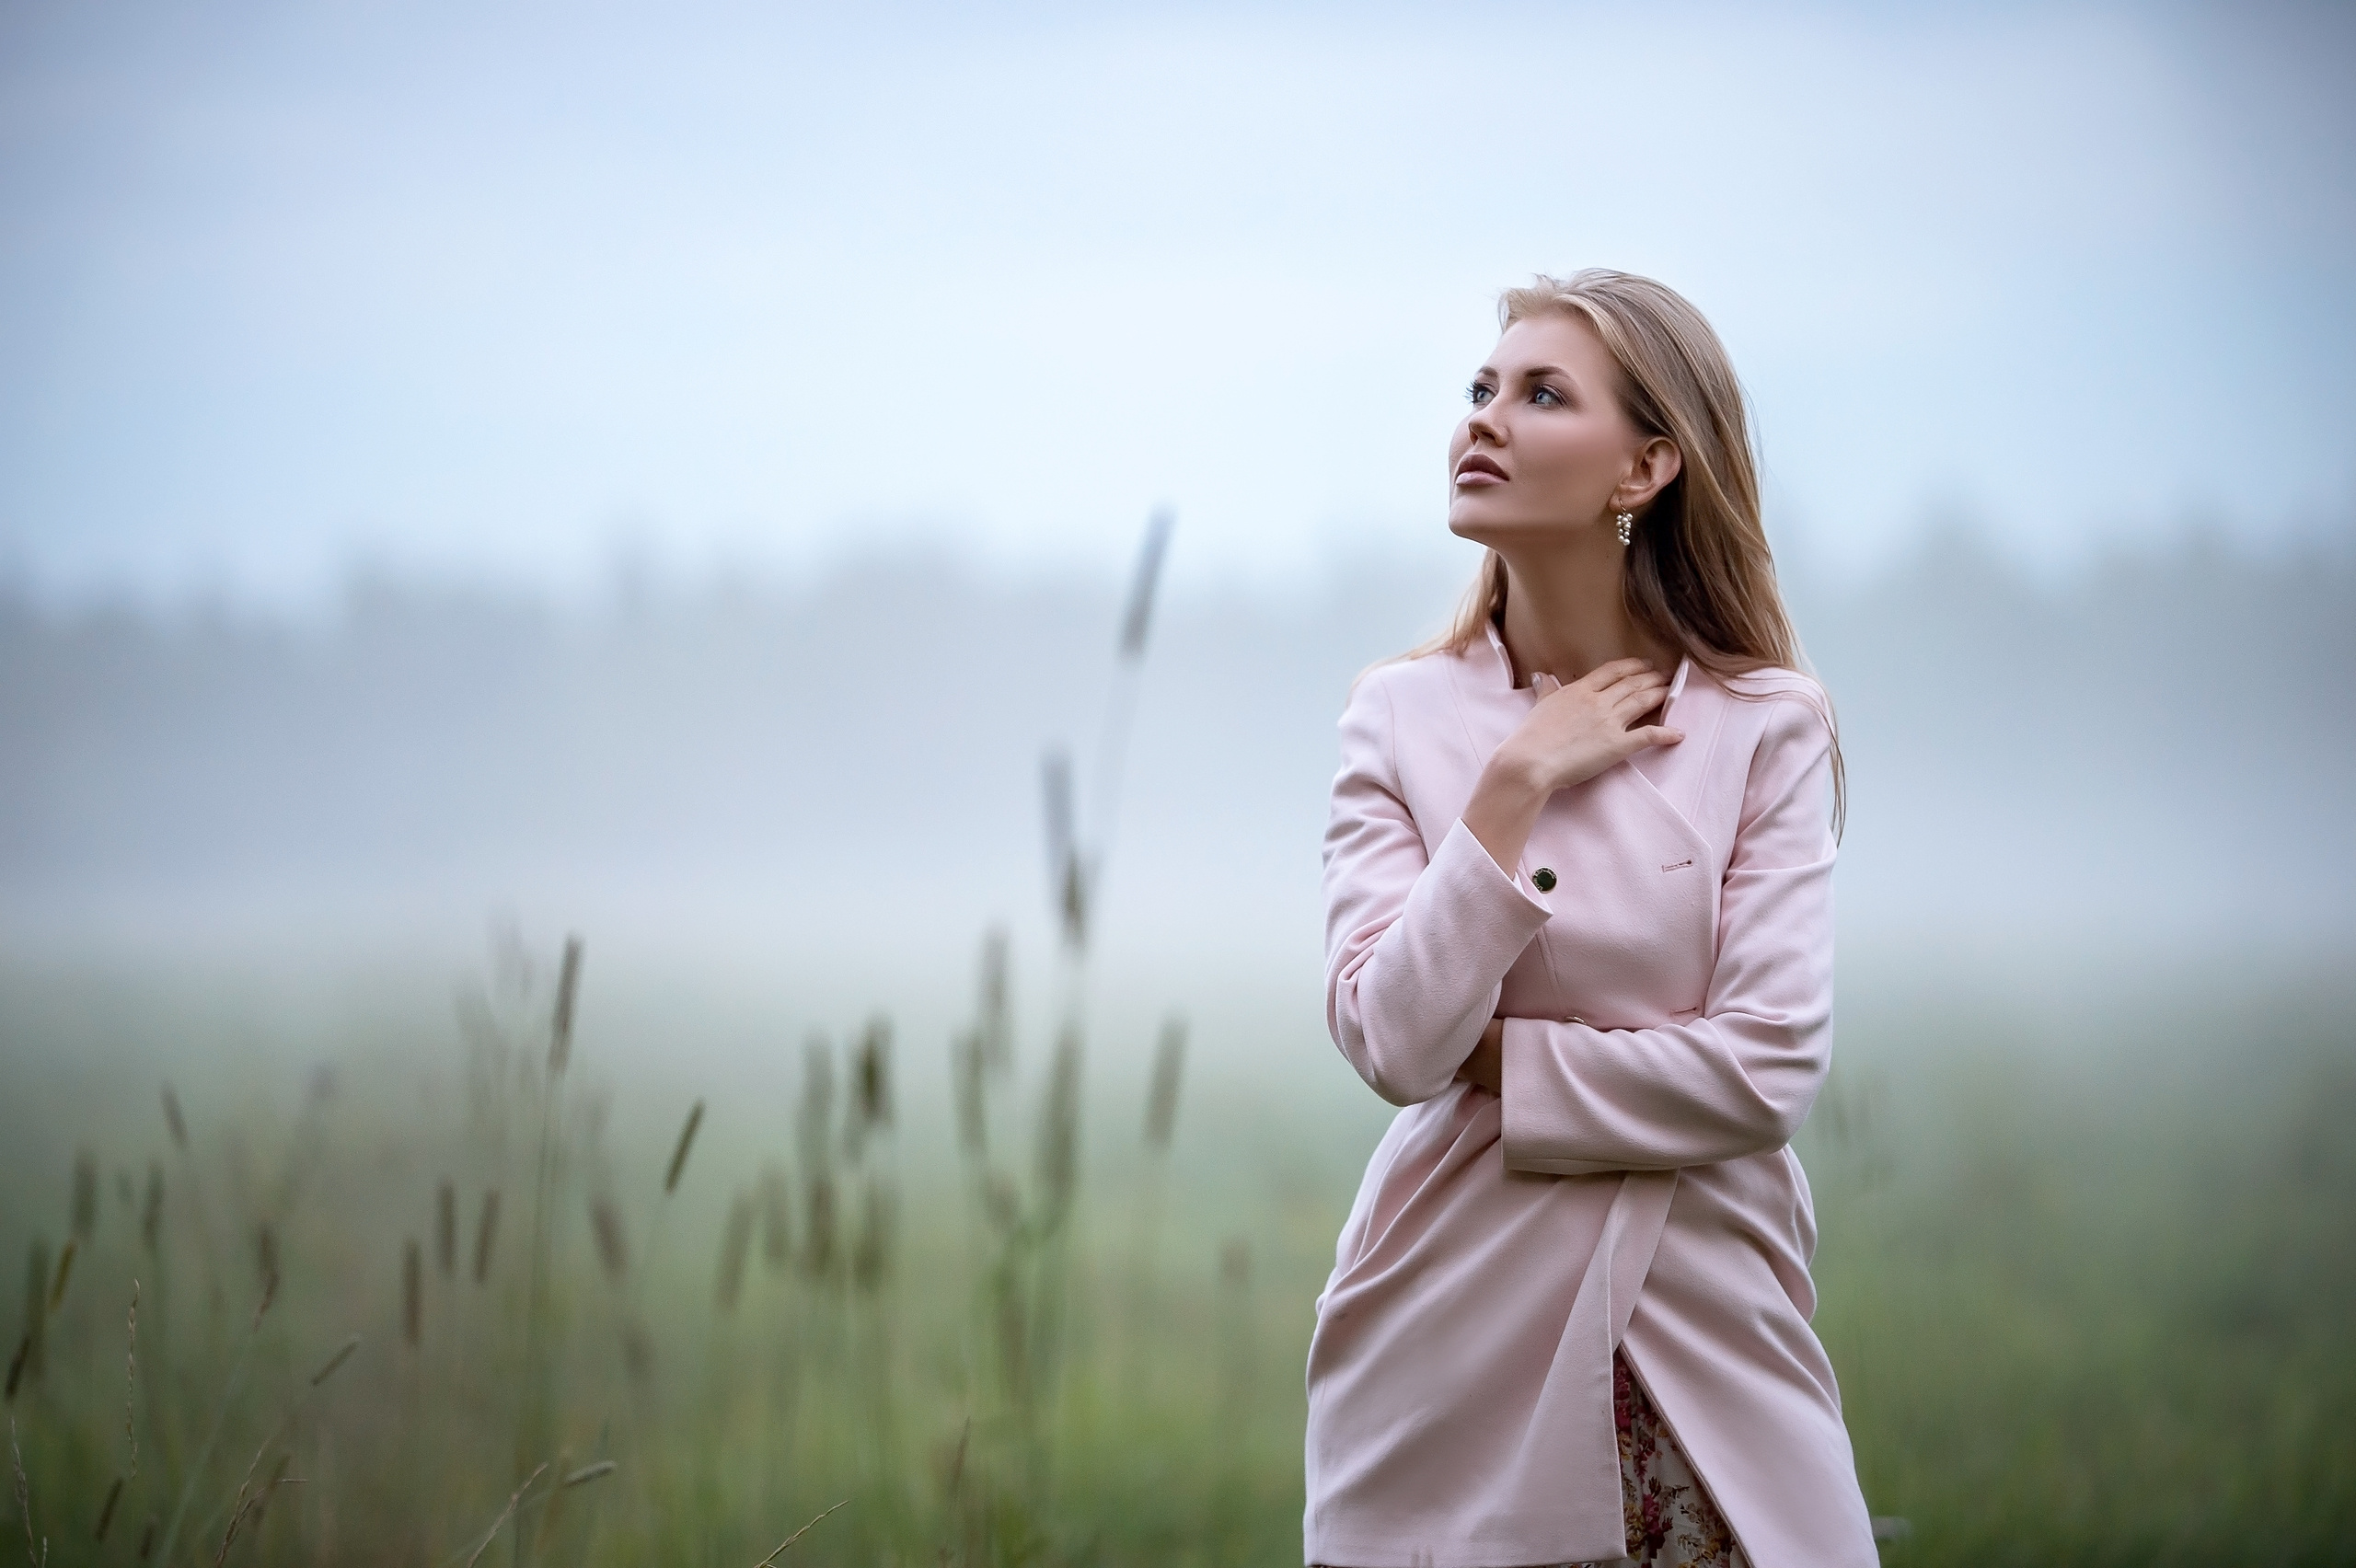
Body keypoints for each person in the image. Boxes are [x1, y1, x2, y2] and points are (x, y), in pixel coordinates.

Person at [1305, 271, 1877, 1568]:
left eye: (1542, 394)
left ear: (1648, 467)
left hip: (1707, 1320)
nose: (1485, 421)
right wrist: (1513, 787)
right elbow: (1395, 1045)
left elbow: (1766, 1066)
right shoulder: (1394, 717)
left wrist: (1510, 1060)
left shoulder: (1763, 724)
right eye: (1481, 390)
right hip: (1451, 1318)